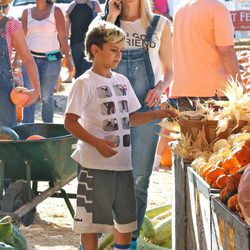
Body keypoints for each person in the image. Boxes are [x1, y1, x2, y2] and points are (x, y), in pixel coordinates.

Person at [64, 21, 176, 250]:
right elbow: (69, 121)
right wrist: (97, 143)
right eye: (113, 50)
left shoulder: (122, 82)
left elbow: (131, 118)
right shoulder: (83, 83)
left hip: (123, 165)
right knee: (92, 224)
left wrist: (159, 113)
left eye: (121, 51)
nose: (119, 56)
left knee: (125, 223)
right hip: (94, 165)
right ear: (95, 50)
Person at [102, 0, 173, 246]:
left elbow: (169, 70)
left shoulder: (160, 24)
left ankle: (129, 243)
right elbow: (94, 59)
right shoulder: (107, 22)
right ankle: (107, 235)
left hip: (147, 108)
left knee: (139, 181)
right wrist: (111, 16)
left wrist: (161, 87)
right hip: (111, 110)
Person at [169, 0, 241, 111]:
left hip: (184, 89)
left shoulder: (180, 9)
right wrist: (239, 86)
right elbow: (226, 51)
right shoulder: (217, 8)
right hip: (214, 91)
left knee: (190, 128)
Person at [20, 0, 74, 123]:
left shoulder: (56, 11)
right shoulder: (26, 12)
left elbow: (62, 36)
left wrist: (68, 58)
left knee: (46, 96)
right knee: (29, 94)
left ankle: (48, 127)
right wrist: (16, 59)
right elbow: (22, 38)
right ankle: (27, 127)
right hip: (30, 58)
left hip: (51, 57)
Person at [0, 0, 40, 128]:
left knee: (7, 139)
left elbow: (27, 59)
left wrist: (36, 89)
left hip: (3, 94)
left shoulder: (11, 25)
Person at [65, 0, 101, 79]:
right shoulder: (94, 4)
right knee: (85, 72)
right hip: (85, 43)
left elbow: (66, 32)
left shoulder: (71, 6)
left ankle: (83, 90)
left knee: (82, 72)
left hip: (87, 43)